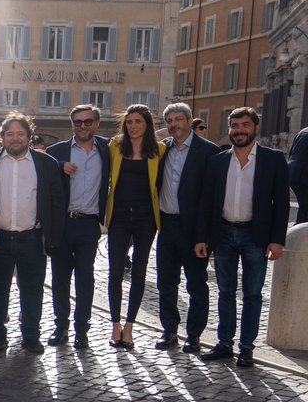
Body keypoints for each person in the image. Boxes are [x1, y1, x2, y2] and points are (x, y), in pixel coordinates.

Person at [197, 107, 290, 368]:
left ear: (255, 128)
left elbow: (281, 203)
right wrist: (203, 238)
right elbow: (206, 202)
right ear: (230, 129)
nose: (239, 130)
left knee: (252, 293)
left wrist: (277, 240)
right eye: (235, 126)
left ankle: (247, 348)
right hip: (223, 233)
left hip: (256, 236)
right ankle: (225, 343)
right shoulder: (217, 161)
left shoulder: (273, 159)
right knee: (225, 291)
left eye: (245, 125)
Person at [0, 113, 66, 354]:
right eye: (9, 134)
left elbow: (57, 202)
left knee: (32, 289)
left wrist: (53, 238)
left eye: (20, 133)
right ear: (2, 137)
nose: (15, 138)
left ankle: (31, 336)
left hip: (31, 238)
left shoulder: (46, 163)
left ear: (29, 137)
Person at [155, 102, 221, 352]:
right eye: (169, 121)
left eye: (178, 119)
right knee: (166, 283)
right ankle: (169, 331)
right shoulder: (162, 151)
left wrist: (206, 237)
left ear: (189, 120)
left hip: (194, 231)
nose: (173, 125)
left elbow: (213, 199)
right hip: (167, 227)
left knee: (196, 284)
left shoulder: (209, 152)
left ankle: (194, 335)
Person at [46, 105, 110, 349]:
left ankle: (82, 329)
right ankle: (61, 326)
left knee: (86, 278)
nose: (83, 126)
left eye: (88, 121)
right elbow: (39, 169)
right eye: (77, 122)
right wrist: (60, 165)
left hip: (89, 224)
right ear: (71, 124)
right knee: (60, 278)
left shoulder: (108, 150)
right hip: (62, 224)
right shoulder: (56, 151)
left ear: (96, 123)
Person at [105, 105, 166, 350]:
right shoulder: (115, 147)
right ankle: (115, 324)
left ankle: (130, 326)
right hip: (118, 216)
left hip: (146, 219)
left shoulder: (159, 150)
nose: (133, 126)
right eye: (129, 121)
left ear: (147, 124)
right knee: (115, 271)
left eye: (138, 121)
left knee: (139, 271)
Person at [287, 127, 308, 225]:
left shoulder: (303, 132)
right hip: (304, 177)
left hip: (294, 174)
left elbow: (291, 154)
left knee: (304, 210)